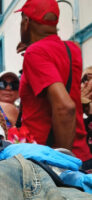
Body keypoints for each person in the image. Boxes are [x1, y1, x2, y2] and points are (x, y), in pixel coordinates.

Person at [16, 0, 92, 161]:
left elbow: (66, 107)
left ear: (26, 22)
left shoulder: (35, 53)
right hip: (82, 154)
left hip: (47, 157)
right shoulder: (72, 49)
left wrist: (60, 162)